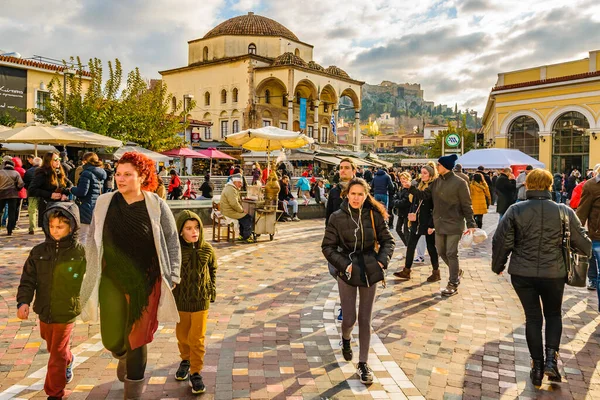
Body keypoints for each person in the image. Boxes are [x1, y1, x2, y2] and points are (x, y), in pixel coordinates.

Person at [79, 152, 181, 399]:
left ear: (143, 177)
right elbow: (93, 239)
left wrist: (174, 274)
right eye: (118, 174)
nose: (120, 179)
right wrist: (87, 268)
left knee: (137, 338)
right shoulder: (104, 202)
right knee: (112, 339)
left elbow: (171, 239)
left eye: (127, 175)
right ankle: (120, 354)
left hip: (146, 282)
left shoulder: (156, 205)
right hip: (111, 278)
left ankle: (133, 391)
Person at [492, 168, 591, 387]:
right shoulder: (563, 211)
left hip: (522, 272)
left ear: (527, 186)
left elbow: (501, 241)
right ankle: (550, 362)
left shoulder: (515, 210)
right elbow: (584, 244)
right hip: (553, 273)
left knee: (533, 318)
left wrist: (498, 265)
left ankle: (536, 367)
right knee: (553, 315)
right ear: (549, 186)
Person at [322, 178, 395, 385]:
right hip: (347, 269)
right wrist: (344, 264)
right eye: (353, 193)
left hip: (370, 268)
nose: (356, 198)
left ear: (366, 195)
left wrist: (382, 262)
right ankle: (346, 339)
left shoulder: (374, 215)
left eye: (360, 194)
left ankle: (363, 363)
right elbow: (327, 247)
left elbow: (388, 240)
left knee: (365, 319)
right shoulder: (337, 217)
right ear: (347, 195)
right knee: (350, 319)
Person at [16, 202, 86, 400]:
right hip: (44, 309)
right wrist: (23, 302)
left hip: (67, 310)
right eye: (52, 226)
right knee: (52, 345)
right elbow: (28, 279)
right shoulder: (38, 251)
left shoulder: (79, 253)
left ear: (71, 227)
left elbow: (90, 280)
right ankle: (69, 359)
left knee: (56, 354)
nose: (55, 231)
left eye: (60, 227)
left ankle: (54, 393)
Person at [401, 154, 477, 296]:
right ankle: (457, 271)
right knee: (441, 251)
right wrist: (409, 188)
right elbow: (424, 195)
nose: (437, 167)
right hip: (439, 223)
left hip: (454, 223)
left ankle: (453, 282)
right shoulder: (436, 182)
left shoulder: (460, 183)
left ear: (446, 167)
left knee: (451, 252)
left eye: (439, 165)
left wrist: (471, 224)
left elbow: (467, 205)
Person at [173, 210, 217, 395]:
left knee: (197, 339)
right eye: (189, 228)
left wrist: (211, 288)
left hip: (201, 301)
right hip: (181, 302)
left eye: (197, 227)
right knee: (183, 336)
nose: (194, 232)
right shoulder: (175, 251)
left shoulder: (207, 249)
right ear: (180, 231)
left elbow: (213, 268)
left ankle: (196, 373)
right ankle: (185, 360)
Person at [394, 164, 440, 282]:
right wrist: (411, 214)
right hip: (417, 221)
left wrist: (432, 225)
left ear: (431, 174)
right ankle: (406, 270)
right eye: (422, 172)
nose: (423, 175)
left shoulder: (433, 185)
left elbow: (425, 198)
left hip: (427, 221)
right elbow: (414, 201)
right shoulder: (419, 184)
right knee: (410, 245)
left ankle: (436, 272)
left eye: (425, 173)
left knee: (431, 247)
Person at [325, 158, 357, 321]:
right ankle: (348, 300)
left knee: (346, 273)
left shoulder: (359, 190)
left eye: (346, 168)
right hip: (336, 240)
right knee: (334, 270)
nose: (343, 171)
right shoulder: (335, 191)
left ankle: (346, 307)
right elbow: (328, 215)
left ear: (354, 171)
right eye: (341, 168)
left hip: (354, 240)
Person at [69, 152, 106, 244]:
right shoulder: (101, 173)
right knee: (92, 235)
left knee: (83, 236)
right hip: (96, 205)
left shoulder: (86, 173)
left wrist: (72, 189)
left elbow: (82, 192)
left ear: (85, 161)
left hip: (86, 205)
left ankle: (84, 257)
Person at [28, 152, 72, 227]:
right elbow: (32, 189)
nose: (58, 161)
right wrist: (50, 194)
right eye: (55, 159)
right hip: (48, 206)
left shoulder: (58, 171)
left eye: (59, 159)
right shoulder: (42, 173)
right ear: (48, 161)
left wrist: (65, 193)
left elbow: (70, 184)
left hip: (60, 206)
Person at [576, 163, 600, 301]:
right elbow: (582, 211)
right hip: (598, 235)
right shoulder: (591, 186)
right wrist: (576, 233)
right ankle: (592, 279)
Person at [220, 173, 254, 243]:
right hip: (229, 212)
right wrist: (242, 210)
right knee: (248, 217)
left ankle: (242, 235)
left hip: (228, 210)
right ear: (234, 182)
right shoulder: (231, 189)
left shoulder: (230, 188)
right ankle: (247, 237)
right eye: (239, 183)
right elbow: (234, 204)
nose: (241, 185)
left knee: (243, 218)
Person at [0, 159, 25, 236]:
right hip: (13, 194)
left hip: (1, 194)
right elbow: (21, 184)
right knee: (12, 212)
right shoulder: (16, 173)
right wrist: (16, 189)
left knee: (0, 211)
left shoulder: (0, 172)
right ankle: (10, 230)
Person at [24, 156, 42, 234]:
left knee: (32, 211)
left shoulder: (28, 171)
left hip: (31, 193)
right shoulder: (44, 171)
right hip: (42, 193)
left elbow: (25, 183)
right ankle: (43, 226)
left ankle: (32, 228)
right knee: (43, 210)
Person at [393, 172, 411, 247]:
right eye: (401, 179)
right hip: (401, 212)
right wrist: (396, 201)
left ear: (408, 179)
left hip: (407, 212)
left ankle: (409, 246)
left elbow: (405, 202)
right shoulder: (401, 188)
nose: (402, 180)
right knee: (398, 229)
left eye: (404, 179)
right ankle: (407, 245)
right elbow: (395, 197)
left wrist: (396, 201)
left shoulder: (409, 189)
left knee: (406, 231)